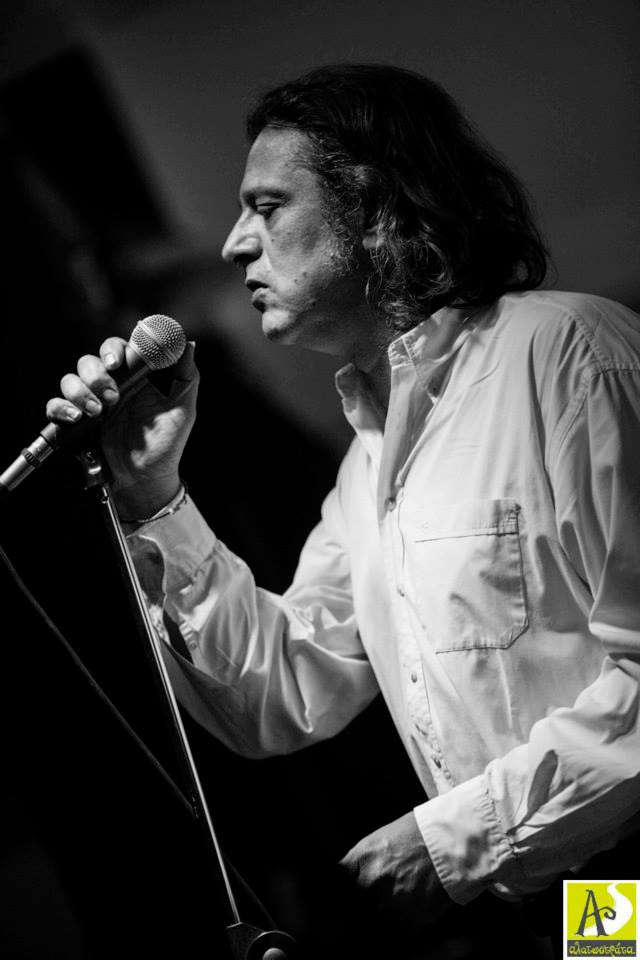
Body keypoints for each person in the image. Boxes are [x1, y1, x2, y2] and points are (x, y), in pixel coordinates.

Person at [47, 64, 640, 952]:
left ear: (375, 205)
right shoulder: (369, 466)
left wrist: (450, 840)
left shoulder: (570, 355)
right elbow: (280, 693)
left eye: (267, 206)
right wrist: (152, 492)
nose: (234, 245)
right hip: (561, 907)